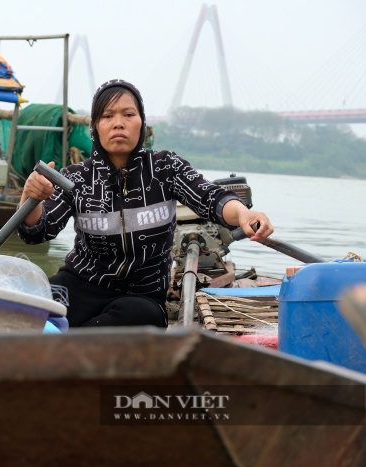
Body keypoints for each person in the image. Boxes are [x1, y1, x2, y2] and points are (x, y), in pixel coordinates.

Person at [17, 79, 273, 328]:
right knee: (34, 306)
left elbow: (209, 197)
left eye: (128, 114)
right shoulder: (75, 177)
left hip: (140, 296)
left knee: (141, 317)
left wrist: (242, 214)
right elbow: (39, 229)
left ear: (142, 122)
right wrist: (31, 199)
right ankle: (73, 341)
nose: (118, 123)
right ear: (95, 126)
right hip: (80, 284)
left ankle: (68, 342)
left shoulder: (165, 168)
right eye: (107, 116)